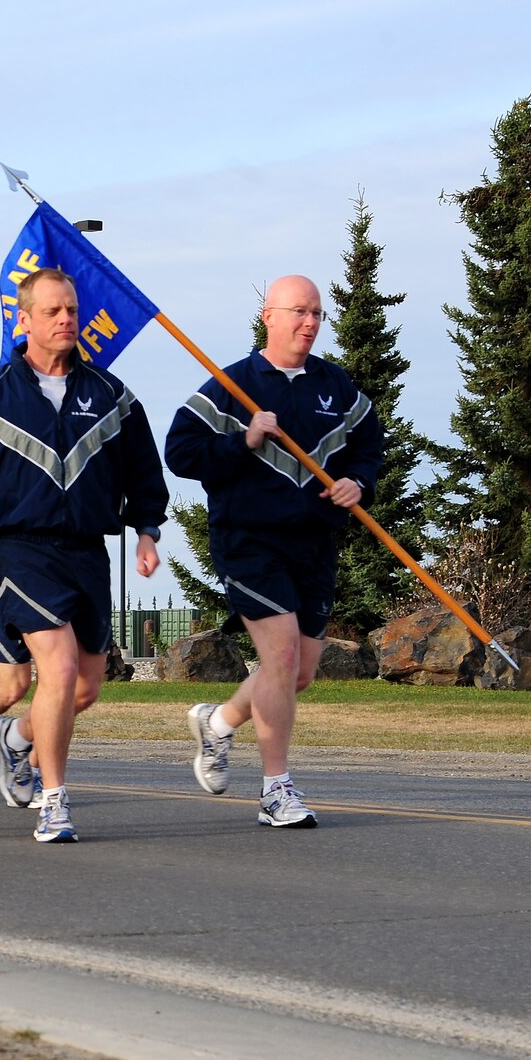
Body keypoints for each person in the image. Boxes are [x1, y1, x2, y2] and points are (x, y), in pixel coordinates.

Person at [0, 267, 168, 843]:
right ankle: (55, 802)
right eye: (54, 311)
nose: (66, 320)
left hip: (88, 551)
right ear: (24, 319)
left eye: (72, 310)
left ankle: (16, 740)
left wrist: (146, 530)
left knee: (84, 687)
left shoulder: (111, 396)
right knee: (54, 668)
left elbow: (143, 470)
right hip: (18, 549)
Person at [165, 274, 384, 828]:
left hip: (314, 542)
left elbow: (368, 445)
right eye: (298, 312)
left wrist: (359, 481)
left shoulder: (336, 387)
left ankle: (217, 724)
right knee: (281, 658)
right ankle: (275, 790)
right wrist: (244, 439)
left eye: (316, 314)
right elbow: (181, 453)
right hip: (248, 541)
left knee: (299, 673)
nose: (309, 323)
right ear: (268, 315)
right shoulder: (231, 385)